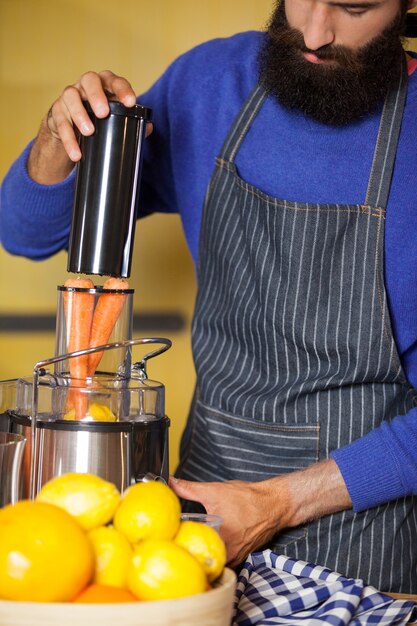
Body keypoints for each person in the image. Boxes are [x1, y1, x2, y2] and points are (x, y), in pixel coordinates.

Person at [1, 0, 417, 593]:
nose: (315, 31)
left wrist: (279, 503)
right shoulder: (211, 83)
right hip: (192, 527)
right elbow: (24, 232)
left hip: (357, 553)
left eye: (353, 6)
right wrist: (57, 136)